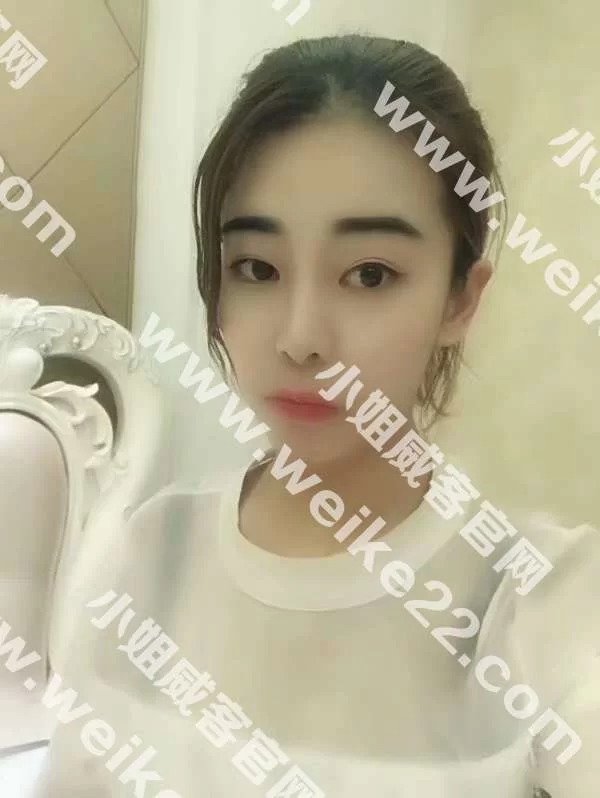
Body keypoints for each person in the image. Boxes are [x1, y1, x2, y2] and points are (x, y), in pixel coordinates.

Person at [25, 35, 600, 797]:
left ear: (460, 299)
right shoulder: (146, 553)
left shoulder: (541, 599)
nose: (300, 338)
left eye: (370, 274)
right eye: (256, 268)